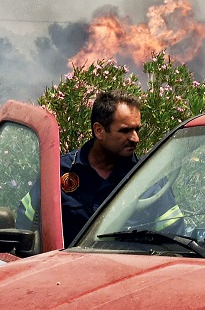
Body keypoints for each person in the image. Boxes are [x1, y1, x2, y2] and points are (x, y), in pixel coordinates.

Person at [19, 90, 181, 246]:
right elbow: (23, 224)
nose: (135, 138)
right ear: (99, 130)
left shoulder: (149, 179)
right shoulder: (59, 172)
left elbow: (175, 238)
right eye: (125, 130)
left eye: (137, 129)